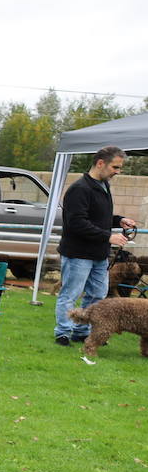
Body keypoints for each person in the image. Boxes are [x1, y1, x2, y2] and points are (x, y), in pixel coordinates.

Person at [54, 145, 138, 345]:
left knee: (97, 294)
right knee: (70, 294)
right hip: (78, 254)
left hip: (99, 254)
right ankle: (63, 332)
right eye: (115, 167)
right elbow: (77, 223)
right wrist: (108, 237)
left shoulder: (104, 185)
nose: (118, 172)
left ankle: (82, 331)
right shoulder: (79, 189)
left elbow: (100, 217)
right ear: (101, 163)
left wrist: (119, 220)